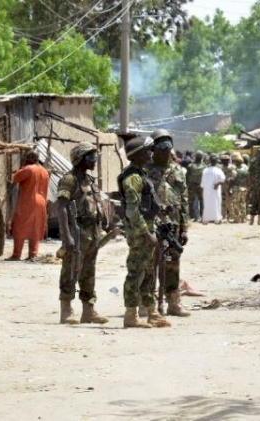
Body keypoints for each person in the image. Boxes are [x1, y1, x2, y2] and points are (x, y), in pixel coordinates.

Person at [118, 136, 170, 328]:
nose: (151, 154)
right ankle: (131, 314)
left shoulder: (141, 175)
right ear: (138, 154)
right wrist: (147, 233)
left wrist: (161, 208)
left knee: (148, 272)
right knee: (136, 271)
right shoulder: (132, 177)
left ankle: (152, 312)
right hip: (140, 230)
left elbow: (145, 204)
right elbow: (132, 210)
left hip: (147, 227)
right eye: (148, 150)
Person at [56, 142, 109, 325]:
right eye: (91, 157)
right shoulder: (69, 180)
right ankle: (66, 309)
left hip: (92, 233)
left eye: (95, 157)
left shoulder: (89, 181)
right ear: (79, 159)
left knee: (89, 272)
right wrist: (66, 236)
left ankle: (88, 310)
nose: (95, 161)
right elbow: (61, 207)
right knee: (71, 270)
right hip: (77, 232)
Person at [146, 129, 191, 318]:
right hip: (152, 223)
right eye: (161, 146)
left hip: (173, 224)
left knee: (172, 263)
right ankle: (147, 302)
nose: (166, 150)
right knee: (150, 263)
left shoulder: (179, 171)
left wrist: (184, 227)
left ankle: (173, 301)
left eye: (168, 146)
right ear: (153, 148)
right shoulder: (146, 169)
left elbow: (184, 199)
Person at [7, 150, 49, 262]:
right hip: (41, 202)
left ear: (30, 158)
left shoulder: (28, 169)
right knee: (35, 227)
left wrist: (18, 171)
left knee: (19, 227)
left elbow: (15, 178)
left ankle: (16, 255)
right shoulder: (44, 171)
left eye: (26, 158)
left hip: (28, 201)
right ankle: (33, 254)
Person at [200, 155, 225, 224]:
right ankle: (217, 220)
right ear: (216, 162)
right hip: (215, 191)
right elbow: (223, 180)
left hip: (207, 190)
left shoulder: (205, 170)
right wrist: (217, 184)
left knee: (207, 204)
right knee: (216, 203)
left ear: (209, 161)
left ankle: (205, 220)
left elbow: (203, 183)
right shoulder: (218, 170)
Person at [185, 151, 207, 221]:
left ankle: (193, 216)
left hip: (192, 186)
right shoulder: (205, 166)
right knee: (202, 201)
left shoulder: (190, 166)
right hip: (201, 186)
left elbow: (187, 176)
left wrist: (188, 185)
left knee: (191, 201)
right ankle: (202, 215)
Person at [232, 152, 249, 224]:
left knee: (236, 203)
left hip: (237, 188)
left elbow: (233, 179)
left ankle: (237, 218)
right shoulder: (246, 168)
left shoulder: (235, 169)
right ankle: (243, 218)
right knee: (243, 203)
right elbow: (249, 178)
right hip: (244, 188)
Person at [220, 154, 237, 222]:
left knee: (230, 202)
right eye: (223, 160)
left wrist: (230, 184)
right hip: (222, 187)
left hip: (230, 186)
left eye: (225, 160)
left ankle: (231, 216)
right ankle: (223, 216)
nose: (224, 161)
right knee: (223, 202)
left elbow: (234, 177)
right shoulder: (220, 168)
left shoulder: (232, 167)